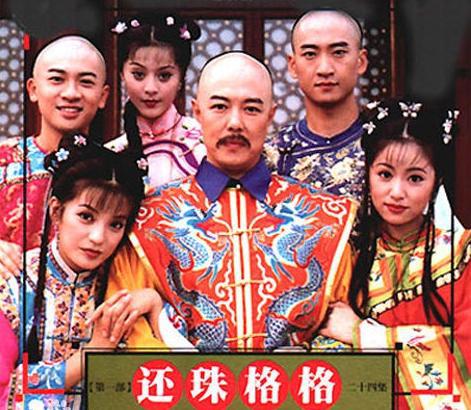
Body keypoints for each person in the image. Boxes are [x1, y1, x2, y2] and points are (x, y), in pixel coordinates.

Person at [107, 51, 357, 352]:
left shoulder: (325, 218)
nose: (235, 122)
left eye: (251, 109)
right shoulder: (148, 219)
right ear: (197, 112)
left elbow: (343, 332)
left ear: (271, 115)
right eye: (220, 107)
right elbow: (133, 334)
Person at [320, 100, 470, 409]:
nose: (397, 192)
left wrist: (364, 336)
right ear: (368, 174)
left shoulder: (461, 254)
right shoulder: (350, 259)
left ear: (436, 182)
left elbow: (466, 347)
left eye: (415, 178)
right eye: (385, 174)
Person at [0, 133, 163, 409]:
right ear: (56, 211)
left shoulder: (126, 283)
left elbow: (172, 378)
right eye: (86, 217)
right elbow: (5, 390)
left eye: (116, 224)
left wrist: (155, 303)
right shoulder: (12, 283)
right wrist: (89, 355)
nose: (98, 237)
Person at [0, 35, 109, 276]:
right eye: (57, 79)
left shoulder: (115, 172)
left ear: (103, 96)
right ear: (33, 89)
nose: (71, 93)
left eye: (86, 82)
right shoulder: (3, 161)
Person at [265, 9, 368, 202]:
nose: (325, 69)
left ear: (360, 61)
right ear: (293, 65)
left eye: (339, 53)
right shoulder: (273, 156)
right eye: (310, 54)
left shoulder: (383, 144)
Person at [106, 13, 205, 187]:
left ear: (181, 79)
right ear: (122, 75)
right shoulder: (110, 155)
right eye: (138, 74)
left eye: (164, 76)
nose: (150, 88)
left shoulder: (205, 145)